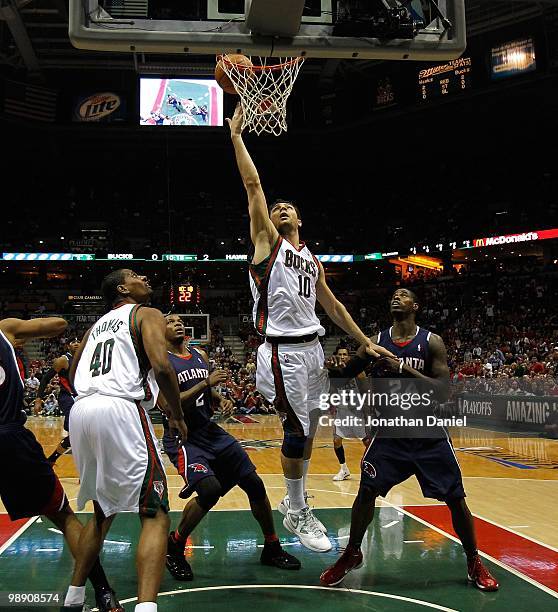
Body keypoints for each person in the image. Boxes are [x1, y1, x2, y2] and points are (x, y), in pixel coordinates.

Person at [226, 104, 391, 552]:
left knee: (312, 428)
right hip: (281, 352)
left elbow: (334, 307)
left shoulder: (312, 260)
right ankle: (295, 507)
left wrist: (363, 342)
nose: (279, 208)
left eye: (287, 207)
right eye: (275, 208)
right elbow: (253, 185)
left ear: (300, 220)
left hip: (313, 350)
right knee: (296, 432)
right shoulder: (267, 243)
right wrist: (237, 136)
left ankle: (298, 501)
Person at [319, 288, 499, 592]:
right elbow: (344, 374)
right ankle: (352, 553)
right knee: (365, 491)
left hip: (427, 431)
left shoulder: (431, 342)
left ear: (414, 306)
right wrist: (339, 365)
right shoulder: (375, 341)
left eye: (403, 295)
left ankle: (473, 561)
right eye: (393, 295)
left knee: (456, 498)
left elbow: (442, 391)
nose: (395, 297)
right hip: (390, 433)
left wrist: (402, 368)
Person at [61, 269, 188, 612]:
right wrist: (175, 414)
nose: (144, 276)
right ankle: (147, 607)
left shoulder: (94, 327)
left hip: (82, 409)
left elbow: (73, 374)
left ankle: (73, 599)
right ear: (122, 288)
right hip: (119, 409)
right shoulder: (147, 313)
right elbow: (162, 367)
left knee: (104, 510)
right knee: (156, 512)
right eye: (135, 275)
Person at [160, 315, 300, 581]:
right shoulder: (161, 362)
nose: (177, 323)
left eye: (180, 320)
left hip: (211, 432)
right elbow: (168, 406)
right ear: (160, 330)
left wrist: (220, 397)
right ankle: (175, 546)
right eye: (170, 321)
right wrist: (206, 384)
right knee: (210, 490)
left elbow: (203, 389)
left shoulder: (198, 353)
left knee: (255, 484)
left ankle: (271, 546)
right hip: (184, 438)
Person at [0, 317, 123, 612]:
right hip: (11, 437)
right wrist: (19, 333)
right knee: (63, 515)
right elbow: (58, 323)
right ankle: (102, 591)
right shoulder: (6, 328)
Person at [34, 338, 80, 465]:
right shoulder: (63, 360)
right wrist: (38, 399)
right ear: (67, 346)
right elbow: (45, 379)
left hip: (81, 398)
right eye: (73, 342)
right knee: (78, 431)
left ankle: (51, 460)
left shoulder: (85, 358)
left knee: (78, 435)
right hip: (67, 397)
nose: (76, 343)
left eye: (79, 341)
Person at [329, 346, 369, 482]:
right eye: (340, 354)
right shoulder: (335, 372)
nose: (342, 356)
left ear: (349, 357)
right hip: (342, 411)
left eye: (345, 354)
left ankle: (376, 466)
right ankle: (344, 469)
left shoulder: (358, 372)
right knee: (336, 440)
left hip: (357, 412)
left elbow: (366, 391)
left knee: (367, 442)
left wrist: (367, 411)